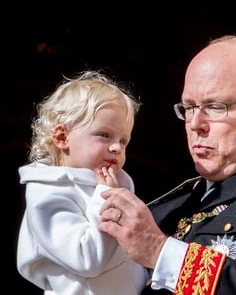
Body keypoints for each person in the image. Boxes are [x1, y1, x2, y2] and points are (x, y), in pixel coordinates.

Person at [98, 35, 236, 294]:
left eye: (215, 107)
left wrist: (160, 251)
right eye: (189, 107)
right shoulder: (166, 206)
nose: (195, 124)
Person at [17, 70, 149, 295]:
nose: (117, 147)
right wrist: (105, 197)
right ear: (62, 138)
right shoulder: (47, 195)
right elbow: (87, 259)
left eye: (123, 140)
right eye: (104, 135)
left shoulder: (112, 182)